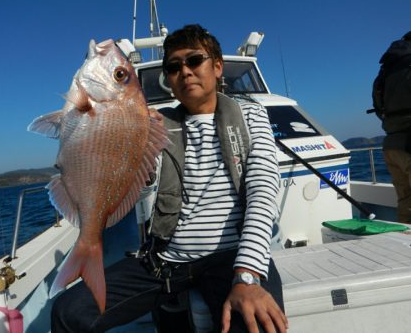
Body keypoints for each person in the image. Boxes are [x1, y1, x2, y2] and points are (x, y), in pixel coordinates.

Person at [51, 24, 288, 333]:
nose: (185, 71)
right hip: (166, 260)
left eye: (194, 60)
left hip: (231, 258)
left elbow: (262, 190)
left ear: (217, 67)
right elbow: (145, 186)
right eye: (174, 67)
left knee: (254, 323)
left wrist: (246, 275)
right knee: (68, 311)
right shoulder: (157, 125)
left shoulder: (251, 116)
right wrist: (135, 149)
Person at [372, 31, 411, 223]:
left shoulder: (387, 69)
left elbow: (378, 107)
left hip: (392, 144)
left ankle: (405, 251)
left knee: (406, 204)